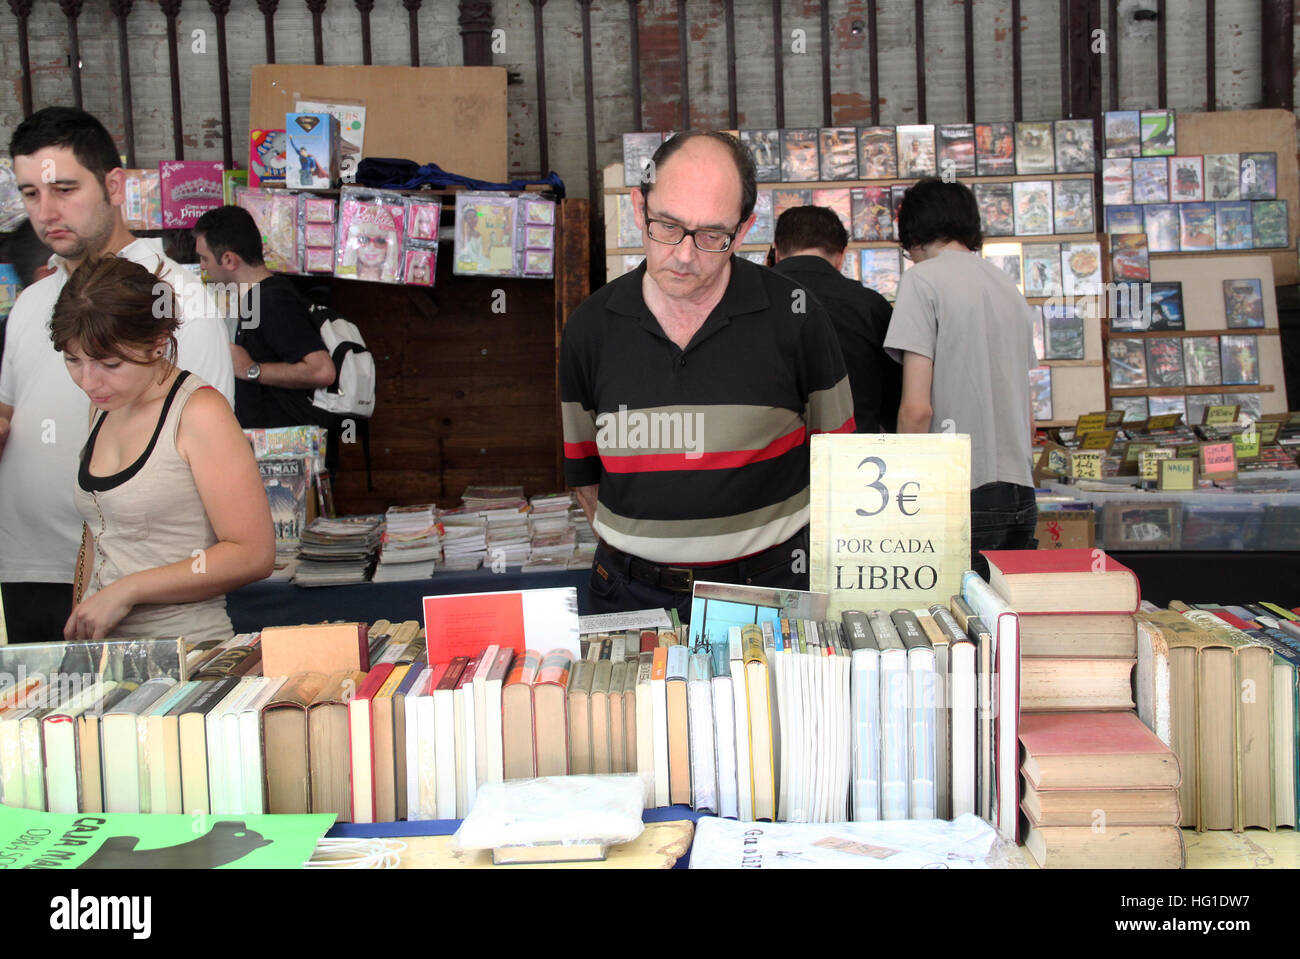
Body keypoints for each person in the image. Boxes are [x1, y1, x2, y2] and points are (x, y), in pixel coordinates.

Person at [560, 131, 855, 621]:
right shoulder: (588, 329)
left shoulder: (798, 316)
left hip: (769, 593)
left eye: (712, 236)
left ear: (743, 232)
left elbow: (841, 463)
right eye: (667, 226)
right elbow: (585, 479)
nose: (683, 255)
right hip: (629, 595)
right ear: (639, 208)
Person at [0, 106, 234, 643]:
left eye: (64, 189)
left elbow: (207, 443)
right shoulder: (33, 303)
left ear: (113, 185)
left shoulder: (176, 302)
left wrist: (138, 583)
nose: (47, 210)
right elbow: (13, 416)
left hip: (129, 579)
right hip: (23, 567)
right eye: (31, 193)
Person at [52, 256, 274, 642]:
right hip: (106, 657)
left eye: (109, 363)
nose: (88, 381)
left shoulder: (199, 412)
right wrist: (81, 614)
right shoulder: (103, 406)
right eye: (73, 360)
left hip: (187, 651)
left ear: (157, 344)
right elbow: (97, 532)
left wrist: (128, 589)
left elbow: (253, 553)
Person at [883, 177, 1037, 580]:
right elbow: (1028, 413)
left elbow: (917, 409)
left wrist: (900, 493)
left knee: (949, 632)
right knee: (1002, 632)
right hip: (1021, 491)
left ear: (912, 235)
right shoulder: (1008, 288)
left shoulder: (923, 280)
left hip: (959, 491)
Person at [193, 205, 335, 430]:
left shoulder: (272, 300)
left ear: (229, 260)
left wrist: (252, 369)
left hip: (287, 449)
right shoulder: (256, 298)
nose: (202, 266)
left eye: (204, 258)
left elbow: (321, 370)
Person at [771, 205, 901, 433]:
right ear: (842, 256)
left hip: (774, 459)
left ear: (776, 251)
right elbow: (895, 398)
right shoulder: (870, 306)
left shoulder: (748, 302)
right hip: (855, 457)